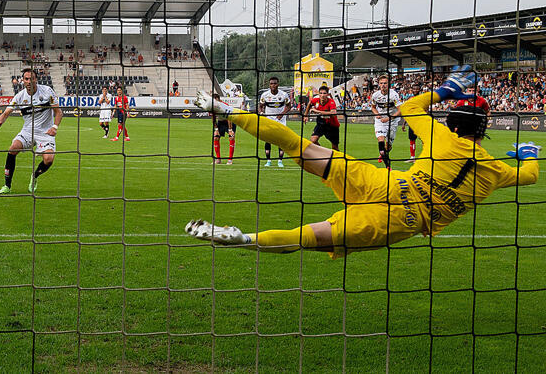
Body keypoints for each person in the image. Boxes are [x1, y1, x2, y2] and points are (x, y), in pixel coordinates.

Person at [186, 68, 540, 258]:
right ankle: (245, 239)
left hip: (386, 183)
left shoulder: (440, 136)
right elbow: (529, 177)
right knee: (309, 237)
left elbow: (409, 108)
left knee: (297, 145)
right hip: (403, 220)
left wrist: (444, 90)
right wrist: (528, 154)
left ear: (452, 122)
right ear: (485, 127)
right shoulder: (497, 172)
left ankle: (228, 110)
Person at [0, 68, 63, 194]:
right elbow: (6, 112)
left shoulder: (47, 91)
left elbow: (58, 112)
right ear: (22, 81)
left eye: (32, 78)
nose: (29, 81)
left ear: (36, 79)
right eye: (26, 79)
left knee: (49, 160)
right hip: (28, 131)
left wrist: (55, 127)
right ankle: (7, 186)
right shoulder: (20, 97)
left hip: (45, 132)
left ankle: (35, 176)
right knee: (12, 148)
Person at [371, 74, 402, 168]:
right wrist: (377, 114)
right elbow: (373, 107)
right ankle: (388, 166)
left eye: (385, 83)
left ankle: (384, 153)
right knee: (381, 140)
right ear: (378, 84)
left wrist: (389, 118)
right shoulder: (375, 95)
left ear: (389, 84)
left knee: (388, 146)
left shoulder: (394, 95)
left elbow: (400, 110)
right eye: (381, 83)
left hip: (392, 120)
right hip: (380, 121)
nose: (383, 85)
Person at [258, 77, 290, 167]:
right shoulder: (265, 95)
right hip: (269, 119)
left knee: (281, 139)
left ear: (278, 84)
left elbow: (289, 106)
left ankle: (280, 161)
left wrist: (282, 114)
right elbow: (260, 106)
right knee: (268, 139)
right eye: (271, 83)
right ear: (269, 84)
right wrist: (261, 112)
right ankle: (268, 161)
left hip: (281, 120)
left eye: (275, 83)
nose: (273, 85)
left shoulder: (284, 95)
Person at [304, 85, 340, 151]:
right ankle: (324, 153)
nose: (322, 95)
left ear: (327, 94)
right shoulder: (316, 100)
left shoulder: (331, 102)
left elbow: (333, 113)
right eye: (320, 93)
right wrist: (305, 116)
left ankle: (338, 159)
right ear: (318, 94)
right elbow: (309, 103)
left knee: (335, 147)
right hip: (321, 124)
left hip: (332, 126)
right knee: (313, 141)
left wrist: (317, 111)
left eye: (324, 93)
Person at [212, 93, 235, 164]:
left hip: (230, 121)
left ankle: (230, 159)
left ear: (219, 99)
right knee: (215, 137)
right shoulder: (212, 107)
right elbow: (213, 118)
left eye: (216, 101)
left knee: (231, 137)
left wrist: (230, 130)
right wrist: (216, 129)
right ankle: (218, 159)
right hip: (220, 122)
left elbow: (229, 117)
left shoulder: (225, 106)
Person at [401, 85, 422, 162]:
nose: (415, 90)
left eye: (417, 89)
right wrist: (404, 123)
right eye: (414, 89)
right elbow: (408, 112)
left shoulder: (422, 99)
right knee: (412, 140)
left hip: (420, 122)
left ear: (419, 89)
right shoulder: (410, 99)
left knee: (424, 140)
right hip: (411, 122)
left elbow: (426, 111)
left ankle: (427, 156)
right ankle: (412, 157)